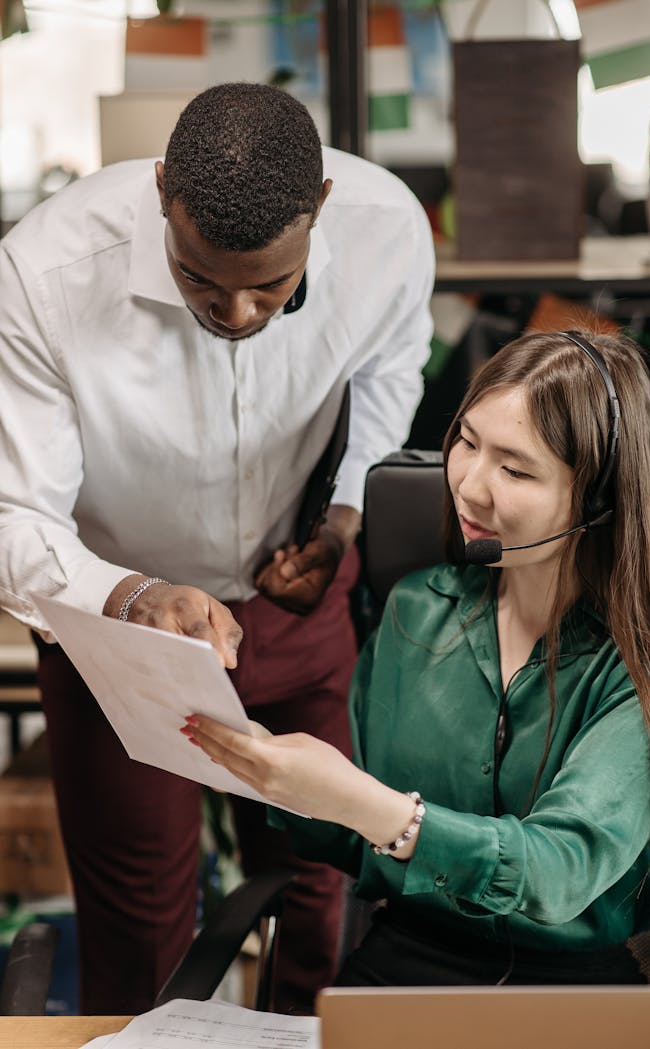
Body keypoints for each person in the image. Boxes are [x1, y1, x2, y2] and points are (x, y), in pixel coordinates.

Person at [0, 82, 434, 1013]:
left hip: (299, 602)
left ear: (320, 207)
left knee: (326, 899)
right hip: (117, 627)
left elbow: (391, 369)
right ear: (163, 190)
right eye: (199, 278)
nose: (235, 312)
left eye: (270, 288)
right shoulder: (45, 270)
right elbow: (13, 515)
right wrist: (134, 596)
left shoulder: (388, 230)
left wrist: (343, 518)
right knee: (142, 929)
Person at [185, 329, 650, 987]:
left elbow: (558, 870)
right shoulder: (416, 608)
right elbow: (359, 840)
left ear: (598, 500)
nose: (470, 486)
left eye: (515, 469)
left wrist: (372, 806)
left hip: (569, 992)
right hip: (400, 966)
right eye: (467, 442)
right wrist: (270, 772)